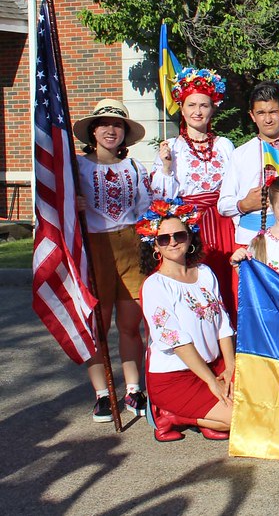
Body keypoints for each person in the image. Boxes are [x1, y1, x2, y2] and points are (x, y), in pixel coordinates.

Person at [72, 99, 154, 423]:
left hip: (130, 244)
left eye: (117, 125)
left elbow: (146, 209)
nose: (110, 130)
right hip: (95, 247)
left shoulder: (135, 169)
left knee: (130, 324)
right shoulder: (77, 168)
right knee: (99, 325)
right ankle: (103, 393)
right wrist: (72, 203)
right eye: (104, 124)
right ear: (93, 131)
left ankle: (133, 389)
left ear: (125, 133)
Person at [137, 199, 233, 441]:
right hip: (175, 377)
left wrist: (231, 367)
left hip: (215, 366)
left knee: (261, 403)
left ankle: (210, 422)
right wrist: (212, 382)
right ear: (155, 246)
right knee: (241, 418)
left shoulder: (205, 273)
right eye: (163, 238)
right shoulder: (155, 285)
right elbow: (176, 340)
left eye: (179, 235)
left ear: (190, 238)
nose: (172, 242)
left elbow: (223, 323)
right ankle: (170, 414)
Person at [151, 68, 238, 320]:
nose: (197, 111)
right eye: (191, 105)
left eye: (204, 105)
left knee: (227, 283)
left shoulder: (224, 145)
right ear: (182, 107)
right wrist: (166, 166)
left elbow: (234, 186)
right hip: (192, 225)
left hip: (224, 224)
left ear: (213, 109)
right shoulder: (173, 147)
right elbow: (161, 199)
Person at [217, 82, 279, 248]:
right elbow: (223, 204)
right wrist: (244, 204)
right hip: (249, 240)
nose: (268, 119)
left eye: (273, 112)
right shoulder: (240, 154)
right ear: (252, 116)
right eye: (261, 113)